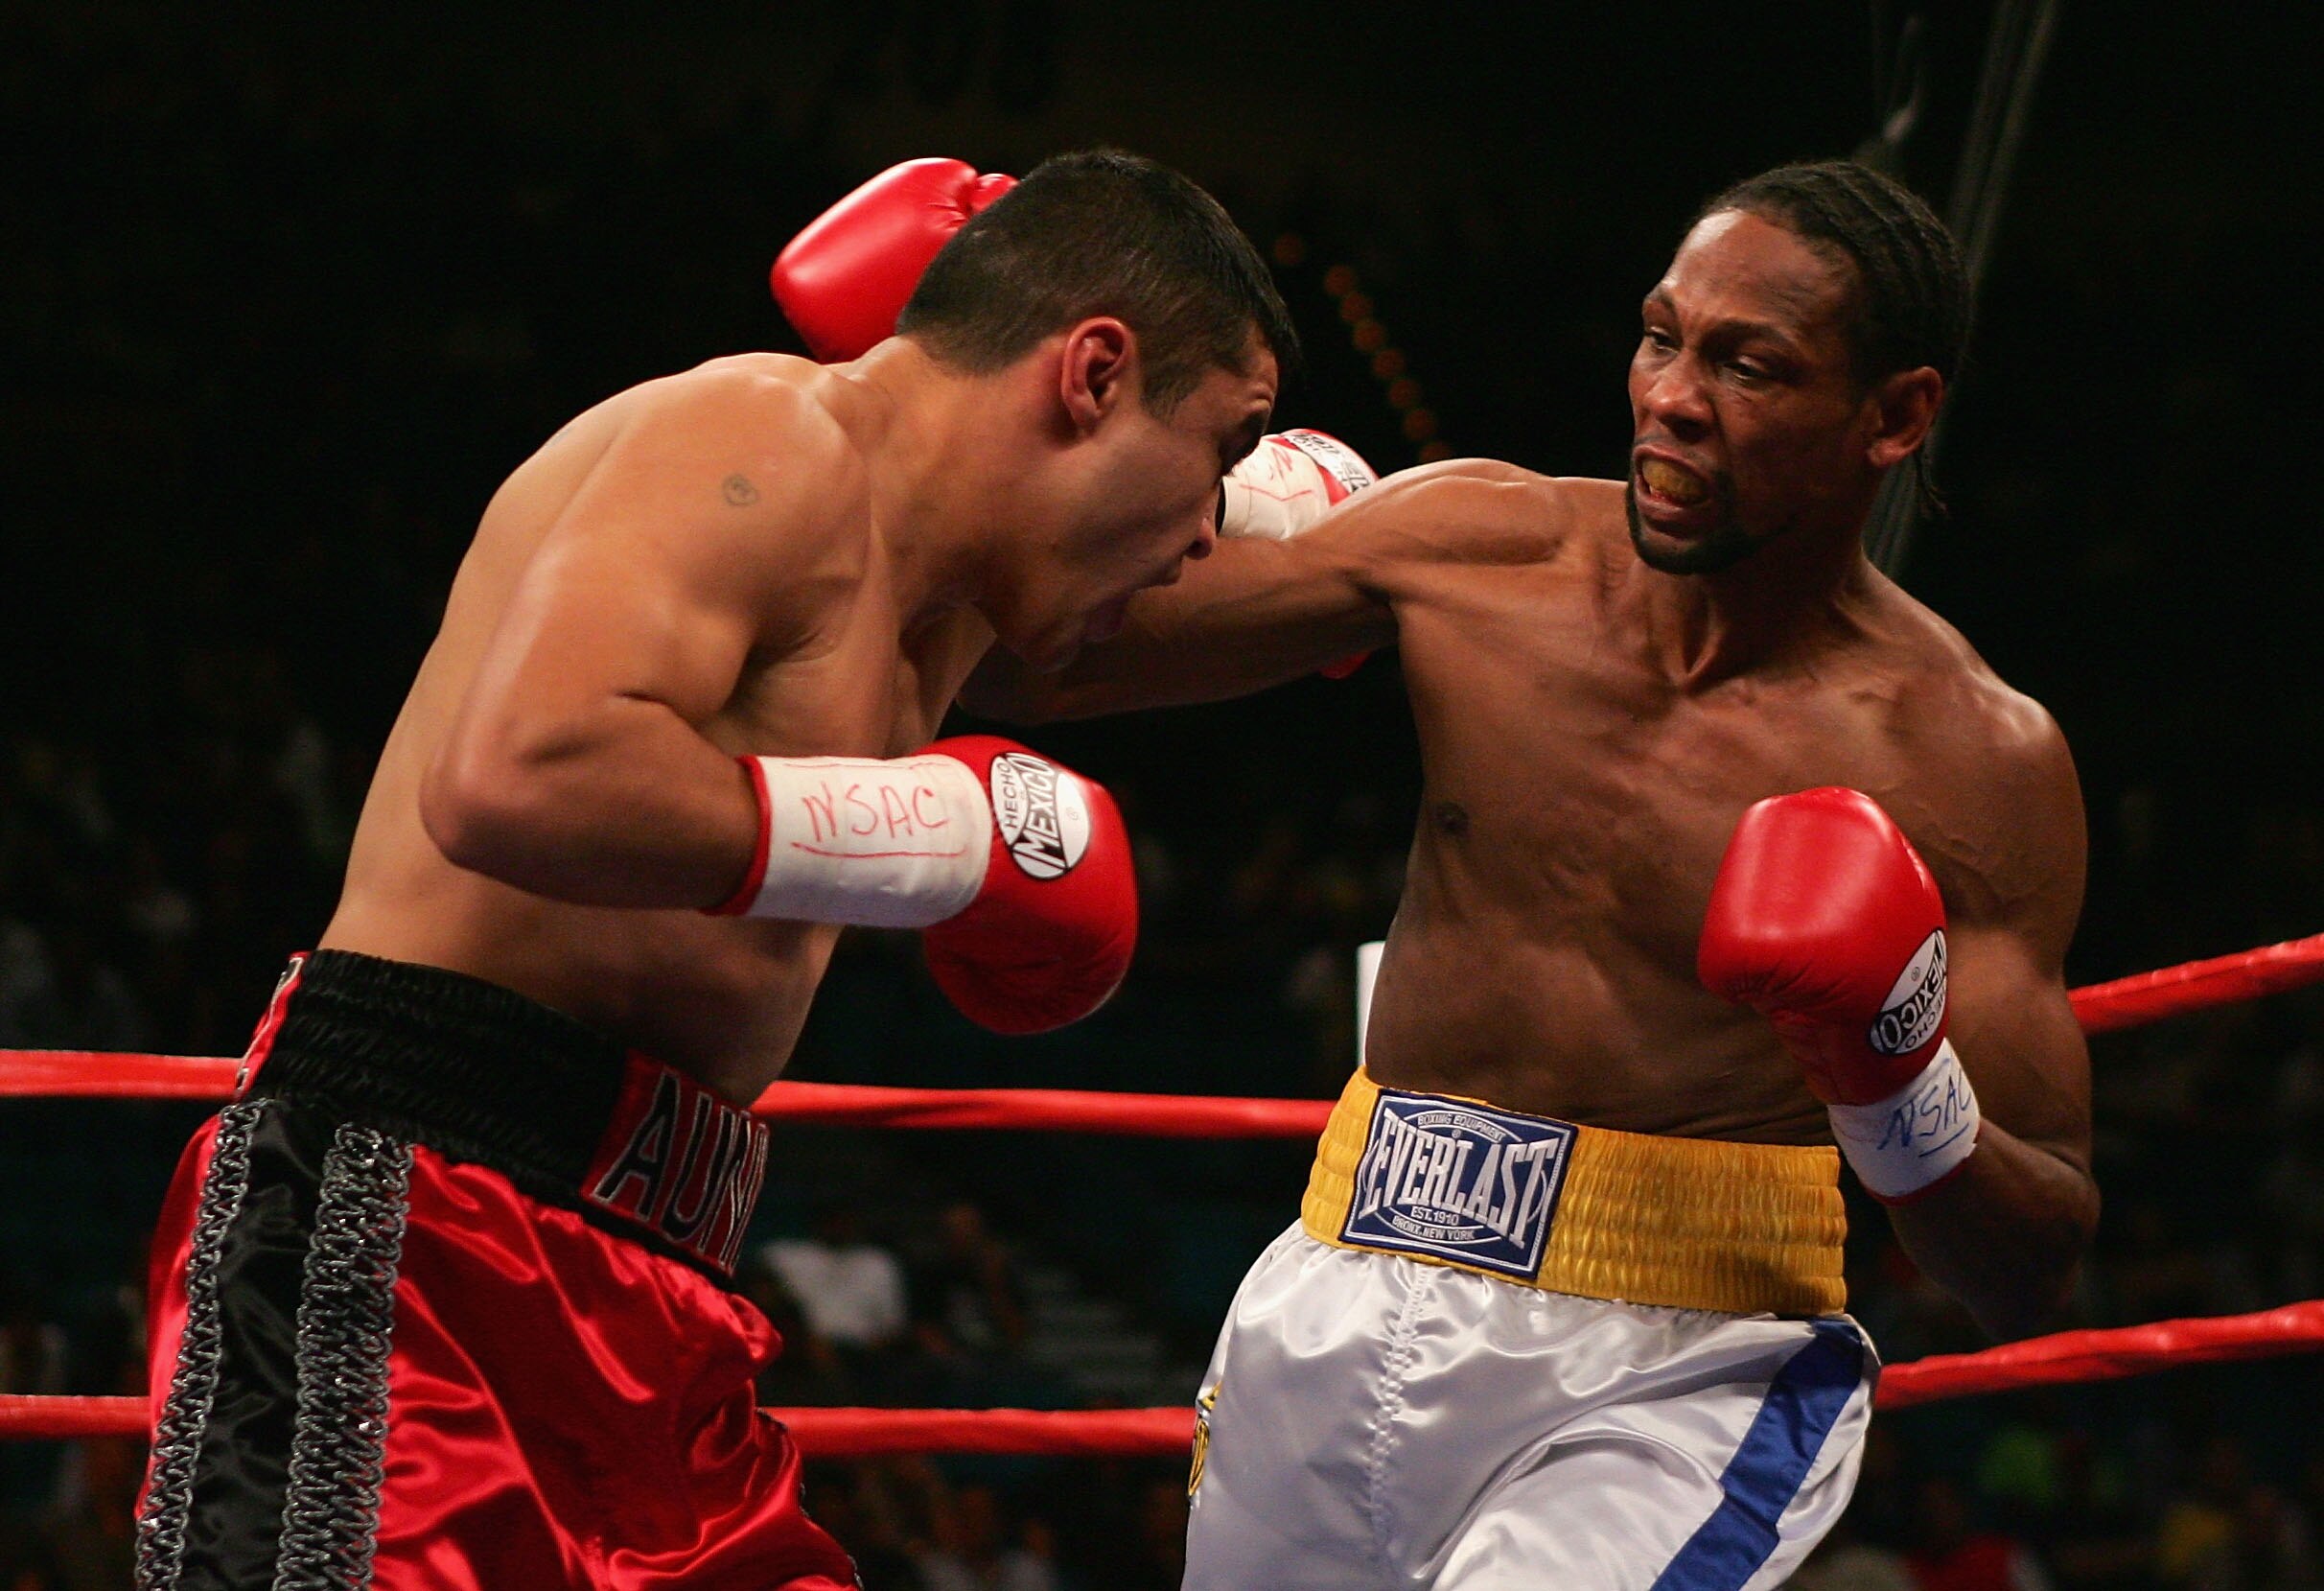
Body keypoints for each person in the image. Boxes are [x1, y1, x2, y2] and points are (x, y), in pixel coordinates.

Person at [131, 149, 1296, 1590]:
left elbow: (1306, 592)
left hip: (659, 1286)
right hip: (411, 1222)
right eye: (1222, 455)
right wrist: (928, 841)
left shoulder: (952, 605)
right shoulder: (764, 435)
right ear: (1094, 374)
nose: (1202, 532)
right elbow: (518, 776)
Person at [967, 160, 2100, 1587]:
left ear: (1898, 416)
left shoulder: (1967, 761)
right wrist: (964, 412)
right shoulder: (1479, 549)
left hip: (1673, 1369)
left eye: (1749, 365)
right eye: (1660, 336)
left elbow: (2031, 1262)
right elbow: (1047, 660)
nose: (1674, 396)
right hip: (1340, 1278)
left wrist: (1891, 1075)